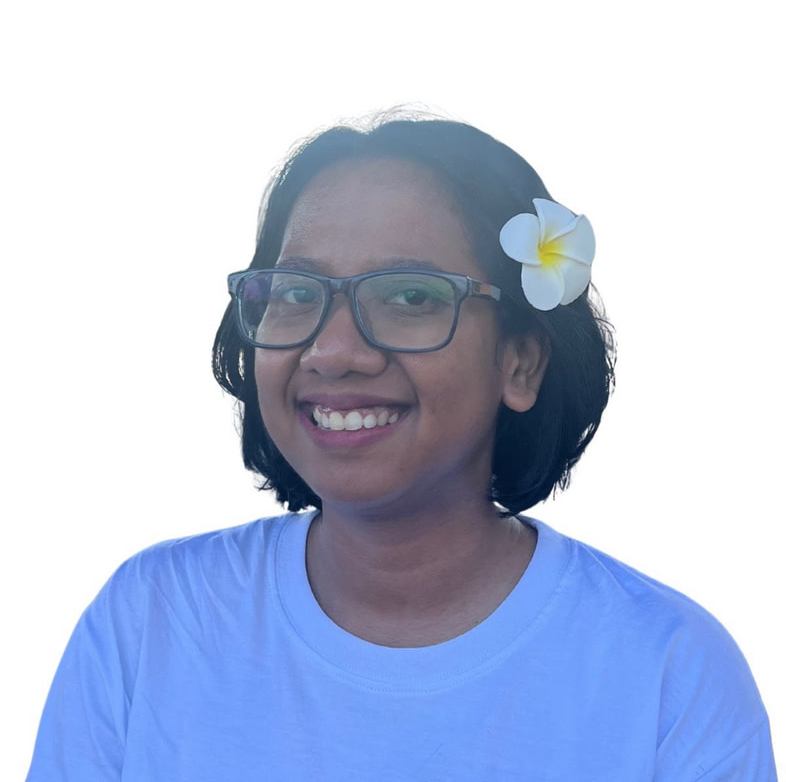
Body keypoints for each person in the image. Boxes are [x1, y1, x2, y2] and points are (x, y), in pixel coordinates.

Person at [27, 113, 777, 780]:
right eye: (296, 293)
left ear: (520, 361)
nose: (333, 351)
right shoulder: (150, 619)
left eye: (411, 296)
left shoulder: (670, 672)